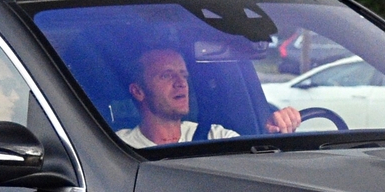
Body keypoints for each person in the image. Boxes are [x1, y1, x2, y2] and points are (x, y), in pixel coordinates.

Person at [116, 45, 302, 149]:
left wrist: (272, 137)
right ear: (138, 91)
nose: (181, 83)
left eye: (184, 75)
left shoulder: (217, 137)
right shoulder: (119, 148)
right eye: (166, 75)